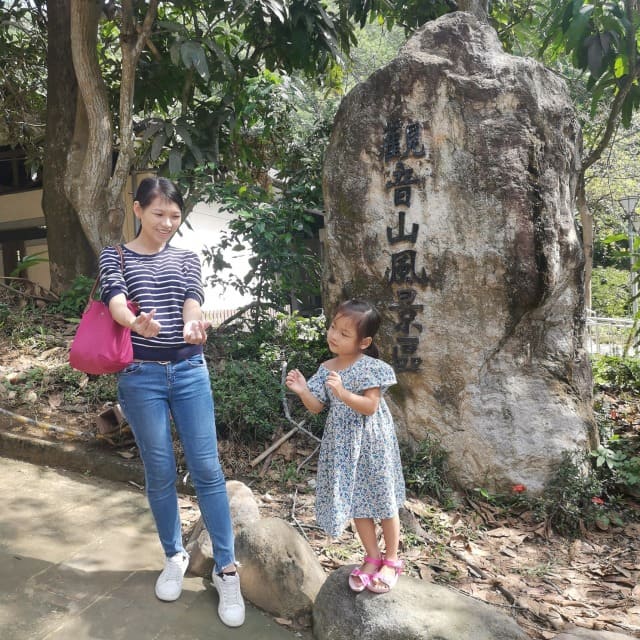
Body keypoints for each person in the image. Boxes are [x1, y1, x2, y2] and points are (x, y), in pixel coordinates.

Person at [98, 176, 245, 627]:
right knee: (158, 469)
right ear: (138, 210)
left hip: (188, 371)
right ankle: (174, 556)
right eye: (158, 214)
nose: (167, 223)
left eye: (175, 216)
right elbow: (116, 303)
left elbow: (191, 303)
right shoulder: (114, 255)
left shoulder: (186, 257)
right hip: (139, 376)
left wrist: (193, 325)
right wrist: (134, 322)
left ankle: (226, 569)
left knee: (207, 469)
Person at [285, 299, 406, 593]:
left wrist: (342, 392)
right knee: (355, 501)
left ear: (364, 342)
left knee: (384, 501)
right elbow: (316, 407)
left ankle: (391, 560)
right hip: (343, 445)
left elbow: (370, 406)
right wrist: (302, 390)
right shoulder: (326, 367)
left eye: (344, 333)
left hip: (372, 443)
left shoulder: (371, 368)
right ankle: (372, 557)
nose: (334, 336)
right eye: (333, 328)